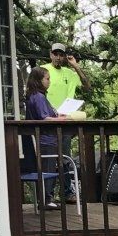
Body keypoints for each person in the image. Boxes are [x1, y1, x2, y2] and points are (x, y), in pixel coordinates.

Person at [23, 66, 77, 207]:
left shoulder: (36, 96)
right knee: (48, 170)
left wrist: (58, 116)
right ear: (38, 80)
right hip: (46, 140)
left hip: (46, 139)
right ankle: (46, 199)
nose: (49, 82)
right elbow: (44, 118)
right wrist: (61, 120)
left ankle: (47, 198)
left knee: (49, 168)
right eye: (47, 79)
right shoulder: (38, 97)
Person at [40, 43, 87, 115]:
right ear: (51, 54)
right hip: (47, 116)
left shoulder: (70, 73)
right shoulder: (42, 69)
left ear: (65, 57)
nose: (58, 58)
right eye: (55, 54)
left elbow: (87, 87)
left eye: (61, 55)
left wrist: (75, 66)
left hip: (66, 116)